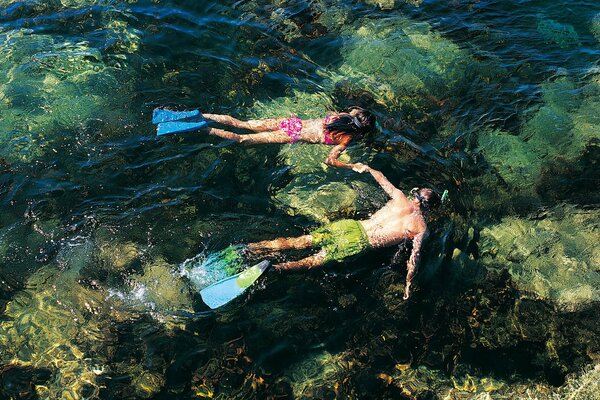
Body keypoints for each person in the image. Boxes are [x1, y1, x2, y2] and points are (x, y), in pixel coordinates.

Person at [244, 164, 442, 299]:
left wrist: (367, 167)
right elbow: (414, 258)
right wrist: (408, 283)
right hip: (358, 242)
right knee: (313, 261)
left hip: (350, 225)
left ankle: (253, 247)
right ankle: (276, 268)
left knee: (302, 240)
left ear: (414, 196)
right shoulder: (421, 228)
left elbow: (381, 176)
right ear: (428, 208)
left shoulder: (399, 197)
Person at [202, 107, 377, 170]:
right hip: (292, 134)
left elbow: (334, 113)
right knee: (241, 138)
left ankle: (204, 115)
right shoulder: (346, 139)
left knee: (243, 123)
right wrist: (351, 165)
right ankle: (207, 129)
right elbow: (330, 160)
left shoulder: (341, 116)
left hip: (291, 122)